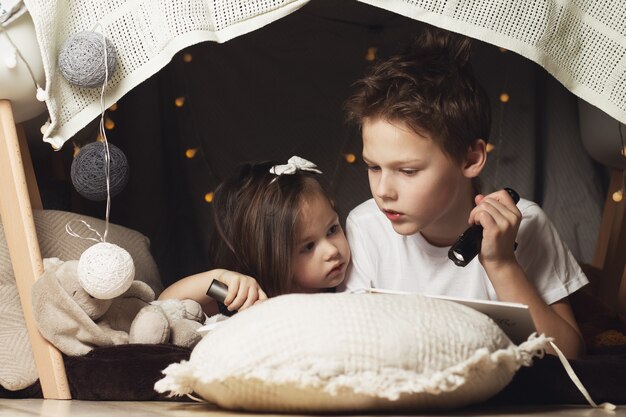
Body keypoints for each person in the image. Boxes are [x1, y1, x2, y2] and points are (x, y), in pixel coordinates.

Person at [339, 29, 588, 358]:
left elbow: (570, 354)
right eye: (373, 167)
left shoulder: (527, 222)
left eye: (408, 171)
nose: (383, 191)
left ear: (470, 159)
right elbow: (349, 343)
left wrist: (501, 264)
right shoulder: (366, 225)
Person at [159, 156, 351, 316]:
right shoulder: (250, 299)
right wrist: (218, 278)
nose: (332, 251)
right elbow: (164, 306)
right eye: (308, 246)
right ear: (270, 255)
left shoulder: (353, 280)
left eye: (332, 229)